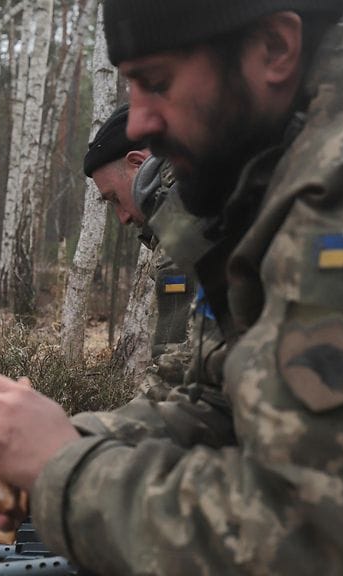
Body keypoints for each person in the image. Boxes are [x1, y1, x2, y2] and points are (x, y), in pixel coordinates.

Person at [0, 1, 343, 574]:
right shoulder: (280, 151)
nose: (139, 123)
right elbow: (224, 402)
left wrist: (63, 470)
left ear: (275, 48)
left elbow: (317, 537)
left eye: (157, 83)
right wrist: (43, 452)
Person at [75, 106, 234, 448]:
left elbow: (185, 370)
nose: (121, 217)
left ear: (137, 163)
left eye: (114, 199)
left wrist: (88, 440)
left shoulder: (192, 217)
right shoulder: (190, 210)